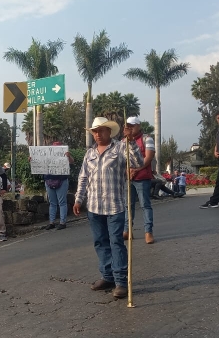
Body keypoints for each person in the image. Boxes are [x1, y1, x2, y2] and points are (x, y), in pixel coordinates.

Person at [73, 117, 143, 299]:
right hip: (94, 207)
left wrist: (131, 142)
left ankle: (121, 281)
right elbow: (83, 178)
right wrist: (78, 199)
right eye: (94, 132)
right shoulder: (89, 154)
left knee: (116, 242)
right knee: (100, 242)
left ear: (109, 132)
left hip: (115, 206)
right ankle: (107, 276)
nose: (97, 134)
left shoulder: (120, 148)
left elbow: (137, 163)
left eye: (101, 131)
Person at [123, 117, 156, 244]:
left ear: (139, 126)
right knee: (127, 206)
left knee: (145, 205)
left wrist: (136, 169)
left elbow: (148, 157)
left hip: (142, 177)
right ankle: (127, 230)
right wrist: (127, 171)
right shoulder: (123, 141)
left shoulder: (147, 139)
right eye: (127, 126)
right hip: (128, 178)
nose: (130, 128)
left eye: (132, 125)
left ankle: (148, 231)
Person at [41, 141, 74, 230]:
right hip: (49, 180)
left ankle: (62, 222)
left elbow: (71, 162)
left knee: (62, 202)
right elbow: (39, 162)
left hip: (61, 180)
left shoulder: (65, 155)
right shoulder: (46, 156)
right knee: (52, 203)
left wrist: (68, 156)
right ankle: (51, 222)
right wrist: (32, 160)